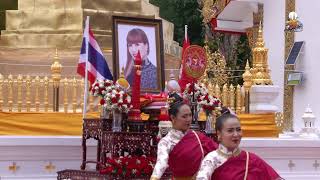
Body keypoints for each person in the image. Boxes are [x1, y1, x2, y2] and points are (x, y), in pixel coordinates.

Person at [196, 111, 283, 180]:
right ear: (219, 134)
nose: (236, 134)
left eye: (238, 130)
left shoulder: (251, 159)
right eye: (230, 131)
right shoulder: (212, 159)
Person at [150, 93, 218, 180]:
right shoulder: (166, 142)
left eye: (190, 115)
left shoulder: (197, 136)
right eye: (184, 116)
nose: (188, 119)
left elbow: (216, 153)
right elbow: (161, 163)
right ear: (173, 118)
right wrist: (154, 178)